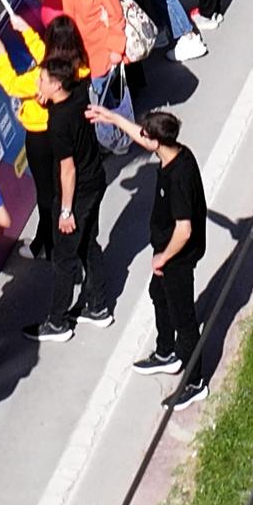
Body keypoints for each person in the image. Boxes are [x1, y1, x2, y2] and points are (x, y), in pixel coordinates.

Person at [92, 104, 211, 400]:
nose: (142, 139)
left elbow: (183, 230)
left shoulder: (178, 177)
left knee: (184, 319)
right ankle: (165, 351)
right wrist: (112, 117)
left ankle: (195, 383)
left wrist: (163, 257)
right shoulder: (176, 151)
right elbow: (143, 137)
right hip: (167, 252)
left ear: (157, 141)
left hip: (177, 258)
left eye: (146, 134)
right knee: (159, 295)